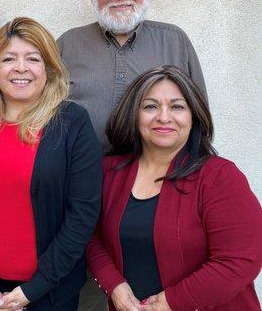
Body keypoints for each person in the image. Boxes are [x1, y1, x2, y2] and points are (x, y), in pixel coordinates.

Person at [0, 17, 102, 311]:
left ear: (49, 69)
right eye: (9, 58)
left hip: (48, 293)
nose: (21, 68)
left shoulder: (72, 123)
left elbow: (82, 214)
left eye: (32, 58)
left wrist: (32, 290)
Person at [87, 66, 262, 311]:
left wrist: (169, 303)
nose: (164, 117)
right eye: (150, 106)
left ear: (194, 116)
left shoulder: (220, 177)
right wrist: (113, 284)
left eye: (177, 106)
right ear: (133, 114)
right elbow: (91, 236)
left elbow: (240, 260)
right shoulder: (109, 171)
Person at [57, 0, 207, 150]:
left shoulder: (175, 41)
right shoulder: (68, 44)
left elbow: (199, 115)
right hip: (81, 174)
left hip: (161, 175)